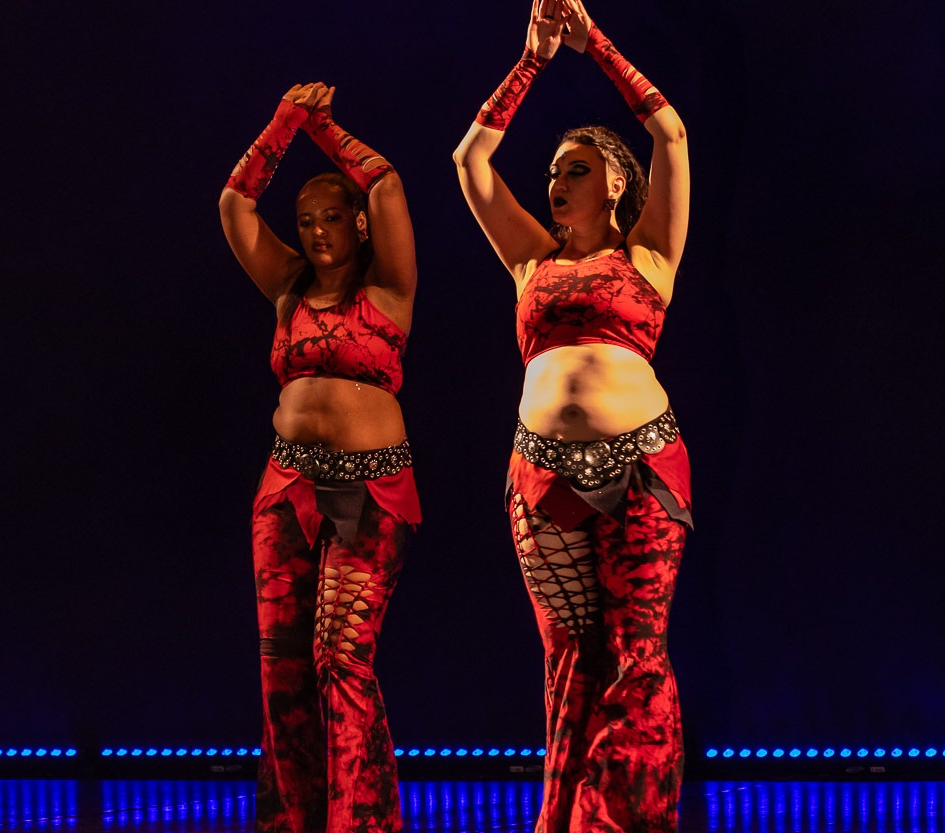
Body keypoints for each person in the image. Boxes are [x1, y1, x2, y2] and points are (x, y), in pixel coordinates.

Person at [453, 1, 692, 830]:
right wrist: (532, 60)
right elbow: (471, 160)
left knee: (636, 655)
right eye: (554, 171)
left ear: (616, 181)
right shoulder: (530, 259)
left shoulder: (650, 253)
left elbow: (672, 135)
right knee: (569, 661)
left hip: (642, 467)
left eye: (576, 169)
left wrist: (596, 47)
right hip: (541, 474)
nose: (557, 181)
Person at [220, 81, 419, 833]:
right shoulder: (287, 289)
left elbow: (387, 182)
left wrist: (323, 129)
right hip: (286, 492)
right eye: (304, 221)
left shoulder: (390, 287)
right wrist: (280, 124)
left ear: (359, 224)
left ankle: (360, 823)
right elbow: (236, 206)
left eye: (331, 216)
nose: (316, 232)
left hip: (372, 495)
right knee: (283, 671)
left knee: (341, 656)